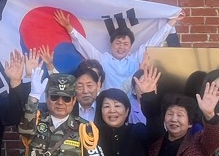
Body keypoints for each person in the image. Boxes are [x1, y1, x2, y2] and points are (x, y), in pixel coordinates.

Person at [53, 10, 181, 94]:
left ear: (130, 46)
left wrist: (172, 22)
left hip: (130, 108)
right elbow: (84, 45)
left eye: (125, 44)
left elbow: (154, 41)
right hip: (107, 107)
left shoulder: (135, 59)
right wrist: (69, 27)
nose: (121, 47)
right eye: (118, 43)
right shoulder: (103, 60)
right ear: (111, 44)